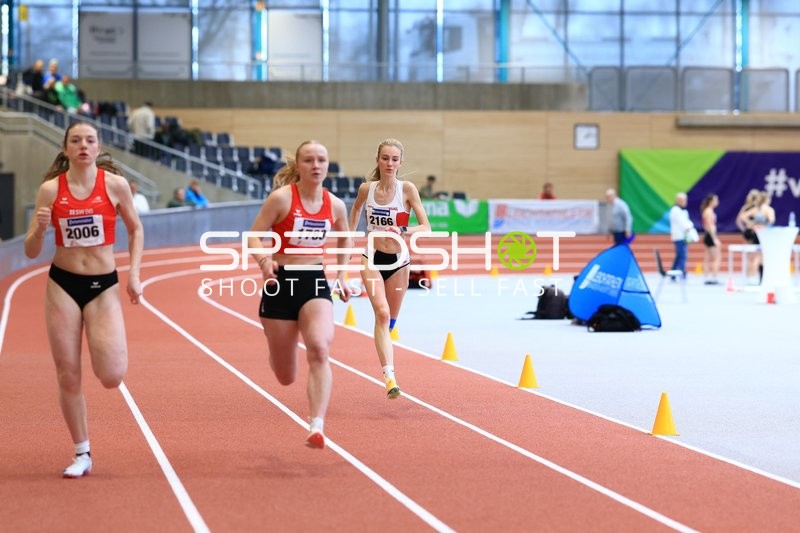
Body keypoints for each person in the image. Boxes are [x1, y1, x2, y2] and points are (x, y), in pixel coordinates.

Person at [23, 121, 144, 478]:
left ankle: (85, 445)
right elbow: (31, 251)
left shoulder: (115, 185)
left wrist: (134, 274)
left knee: (111, 375)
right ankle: (82, 452)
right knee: (68, 372)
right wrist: (40, 229)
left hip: (103, 285)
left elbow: (136, 229)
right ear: (65, 149)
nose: (83, 146)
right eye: (75, 140)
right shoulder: (49, 190)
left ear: (98, 146)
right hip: (62, 284)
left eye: (89, 140)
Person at [246, 140, 352, 449]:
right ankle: (278, 348)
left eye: (321, 160)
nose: (316, 165)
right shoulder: (280, 199)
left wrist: (341, 275)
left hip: (314, 282)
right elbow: (253, 236)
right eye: (309, 160)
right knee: (285, 375)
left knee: (319, 348)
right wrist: (265, 261)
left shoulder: (335, 205)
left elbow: (345, 238)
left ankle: (316, 424)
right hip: (280, 283)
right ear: (298, 166)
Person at [348, 138, 431, 399]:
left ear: (400, 163)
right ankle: (389, 377)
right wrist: (350, 235)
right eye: (385, 158)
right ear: (378, 160)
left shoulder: (407, 190)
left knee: (389, 321)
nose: (390, 163)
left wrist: (403, 229)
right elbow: (356, 208)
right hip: (371, 256)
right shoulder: (366, 189)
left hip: (399, 262)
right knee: (381, 315)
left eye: (394, 159)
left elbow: (426, 227)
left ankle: (384, 340)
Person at [669, 192, 695, 278]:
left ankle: (673, 273)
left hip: (682, 236)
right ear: (679, 200)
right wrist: (690, 227)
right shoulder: (675, 210)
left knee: (679, 255)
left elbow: (687, 222)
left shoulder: (682, 211)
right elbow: (684, 224)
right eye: (684, 200)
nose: (685, 201)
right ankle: (682, 273)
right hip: (679, 237)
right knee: (683, 255)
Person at [700, 193, 721, 285]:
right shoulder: (708, 211)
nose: (717, 202)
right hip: (710, 235)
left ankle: (706, 277)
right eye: (716, 200)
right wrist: (715, 238)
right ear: (711, 201)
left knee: (708, 257)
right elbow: (709, 225)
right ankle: (714, 277)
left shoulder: (708, 210)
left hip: (708, 235)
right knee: (717, 257)